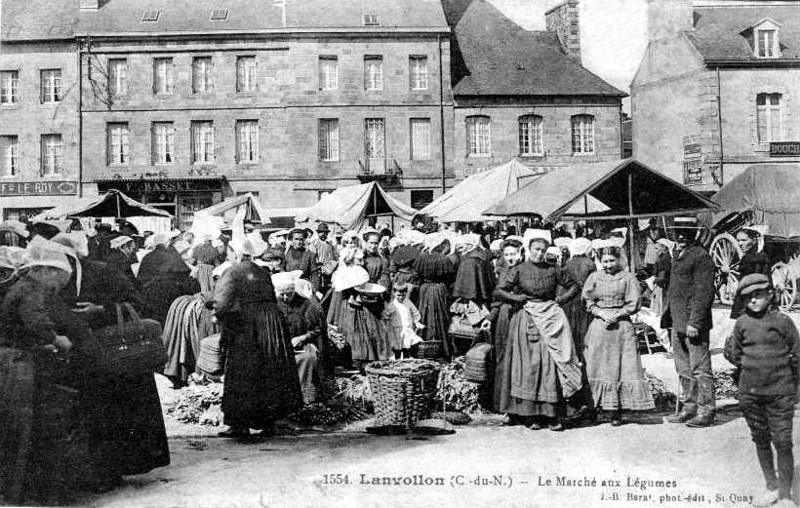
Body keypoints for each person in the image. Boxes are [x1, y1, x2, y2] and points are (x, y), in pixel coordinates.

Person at [493, 229, 583, 431]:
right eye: (536, 249)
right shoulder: (519, 269)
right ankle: (529, 415)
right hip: (527, 318)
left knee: (551, 363)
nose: (540, 253)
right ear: (528, 249)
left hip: (551, 319)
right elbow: (499, 290)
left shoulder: (553, 269)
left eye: (543, 250)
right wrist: (517, 299)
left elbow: (575, 286)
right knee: (528, 366)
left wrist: (560, 300)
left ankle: (551, 414)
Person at [212, 237, 303, 438]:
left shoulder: (232, 272)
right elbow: (272, 297)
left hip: (247, 325)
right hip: (270, 325)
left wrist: (219, 316)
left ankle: (239, 424)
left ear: (235, 253)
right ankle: (267, 421)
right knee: (268, 371)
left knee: (242, 372)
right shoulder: (263, 272)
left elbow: (221, 301)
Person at [725, 274, 800, 508]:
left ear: (770, 294)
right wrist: (752, 368)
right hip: (751, 394)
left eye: (758, 295)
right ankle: (771, 486)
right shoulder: (742, 323)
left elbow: (797, 355)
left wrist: (793, 387)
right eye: (747, 298)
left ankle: (786, 494)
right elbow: (734, 354)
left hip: (780, 393)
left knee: (783, 442)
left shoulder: (783, 322)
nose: (753, 301)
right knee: (760, 439)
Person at [582, 246, 655, 426]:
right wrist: (600, 312)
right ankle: (593, 408)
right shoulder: (594, 277)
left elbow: (634, 303)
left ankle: (616, 410)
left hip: (621, 327)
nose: (608, 265)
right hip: (600, 326)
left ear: (619, 260)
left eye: (611, 261)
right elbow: (588, 300)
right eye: (604, 261)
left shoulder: (628, 278)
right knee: (596, 366)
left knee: (621, 367)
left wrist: (619, 313)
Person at [663, 232, 717, 427]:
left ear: (695, 234)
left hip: (693, 323)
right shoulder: (677, 254)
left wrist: (695, 322)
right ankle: (689, 407)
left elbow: (704, 292)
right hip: (677, 320)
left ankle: (706, 410)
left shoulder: (701, 256)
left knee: (700, 368)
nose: (680, 236)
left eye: (685, 232)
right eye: (676, 232)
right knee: (683, 368)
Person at [274, 271, 327, 404]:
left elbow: (317, 329)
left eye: (289, 294)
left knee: (306, 359)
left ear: (294, 290)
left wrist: (302, 338)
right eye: (282, 294)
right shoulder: (273, 305)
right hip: (279, 344)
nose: (285, 297)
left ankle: (305, 398)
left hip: (302, 344)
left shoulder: (306, 305)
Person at [490, 238, 524, 413]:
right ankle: (503, 404)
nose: (511, 258)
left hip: (522, 314)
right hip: (505, 315)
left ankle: (520, 405)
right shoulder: (502, 272)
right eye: (507, 254)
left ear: (520, 253)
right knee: (504, 356)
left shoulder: (524, 270)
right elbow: (496, 297)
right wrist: (491, 317)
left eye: (514, 254)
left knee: (520, 357)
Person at [414, 232, 458, 357]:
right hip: (439, 289)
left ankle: (424, 345)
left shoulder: (422, 257)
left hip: (425, 289)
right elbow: (450, 277)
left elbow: (417, 275)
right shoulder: (443, 259)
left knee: (424, 314)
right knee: (440, 316)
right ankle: (441, 346)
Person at [730, 228, 772, 320]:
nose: (740, 244)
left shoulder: (754, 259)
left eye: (744, 240)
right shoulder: (755, 257)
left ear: (753, 241)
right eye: (738, 240)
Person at [386, 282, 424, 358]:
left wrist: (417, 322)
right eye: (398, 295)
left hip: (407, 328)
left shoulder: (408, 303)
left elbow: (415, 313)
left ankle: (406, 362)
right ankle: (397, 362)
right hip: (396, 329)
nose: (401, 297)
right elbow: (387, 315)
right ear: (394, 293)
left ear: (406, 293)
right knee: (397, 348)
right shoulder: (392, 304)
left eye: (403, 295)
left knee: (406, 347)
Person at [309, 223, 338, 295]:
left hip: (328, 271)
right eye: (321, 232)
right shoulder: (314, 243)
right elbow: (312, 259)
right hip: (318, 272)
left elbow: (333, 258)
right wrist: (318, 266)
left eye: (325, 232)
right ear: (318, 233)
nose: (323, 234)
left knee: (328, 291)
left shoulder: (330, 245)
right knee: (318, 291)